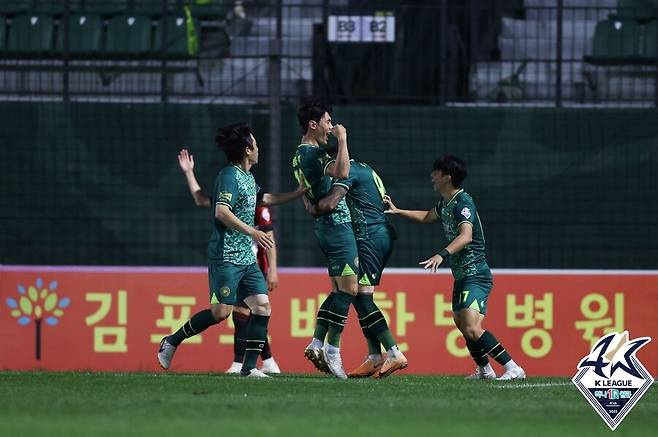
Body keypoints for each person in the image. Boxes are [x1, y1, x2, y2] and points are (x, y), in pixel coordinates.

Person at [158, 122, 305, 378]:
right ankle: (171, 341)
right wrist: (253, 232)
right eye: (256, 145)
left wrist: (298, 192)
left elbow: (266, 199)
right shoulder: (228, 176)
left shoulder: (248, 177)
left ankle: (249, 369)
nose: (259, 149)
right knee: (221, 313)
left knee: (262, 306)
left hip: (247, 259)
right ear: (248, 150)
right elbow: (220, 211)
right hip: (225, 257)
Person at [384, 155, 526, 380]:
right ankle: (484, 370)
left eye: (436, 173)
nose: (432, 176)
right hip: (462, 275)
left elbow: (466, 235)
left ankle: (512, 367)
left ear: (447, 178)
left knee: (471, 327)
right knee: (463, 324)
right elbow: (428, 216)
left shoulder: (463, 202)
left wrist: (442, 254)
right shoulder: (445, 203)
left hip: (475, 273)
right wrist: (399, 211)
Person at [176, 148, 281, 374]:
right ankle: (262, 362)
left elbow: (269, 235)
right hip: (231, 261)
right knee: (240, 312)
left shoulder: (254, 201)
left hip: (252, 264)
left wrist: (272, 270)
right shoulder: (229, 191)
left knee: (249, 312)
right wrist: (189, 173)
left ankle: (247, 363)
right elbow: (201, 199)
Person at [304, 159, 408, 378]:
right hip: (377, 235)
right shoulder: (364, 167)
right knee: (359, 296)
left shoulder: (347, 171)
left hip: (370, 236)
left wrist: (313, 206)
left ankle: (393, 352)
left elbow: (331, 202)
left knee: (360, 296)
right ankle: (374, 356)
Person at [292, 101, 356, 379]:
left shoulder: (298, 155)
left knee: (339, 290)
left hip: (327, 227)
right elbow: (342, 172)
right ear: (313, 124)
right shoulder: (312, 154)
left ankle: (317, 342)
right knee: (350, 290)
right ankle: (333, 350)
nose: (332, 127)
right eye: (328, 122)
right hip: (337, 227)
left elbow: (307, 197)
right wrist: (342, 140)